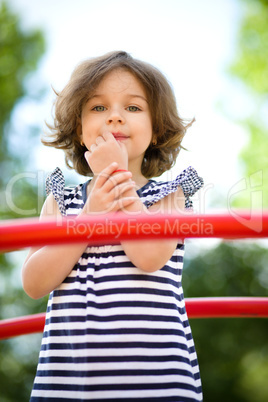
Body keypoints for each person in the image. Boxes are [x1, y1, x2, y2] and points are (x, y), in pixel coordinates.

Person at [22, 50, 204, 401]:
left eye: (133, 108)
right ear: (79, 127)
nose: (115, 117)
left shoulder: (170, 194)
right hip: (69, 388)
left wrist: (114, 177)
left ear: (156, 129)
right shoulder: (60, 200)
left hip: (158, 385)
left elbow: (149, 255)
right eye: (98, 107)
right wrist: (90, 215)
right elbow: (33, 283)